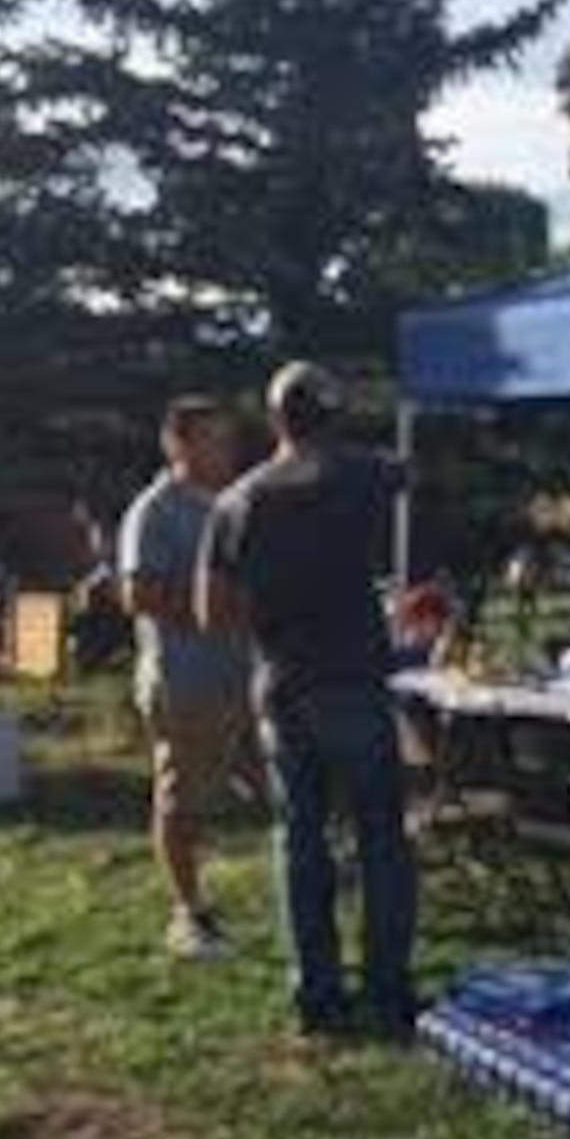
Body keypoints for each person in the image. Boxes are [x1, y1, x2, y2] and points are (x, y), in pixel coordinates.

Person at [198, 363, 419, 1038]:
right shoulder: (359, 475)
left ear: (274, 421)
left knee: (300, 840)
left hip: (281, 685)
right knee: (381, 838)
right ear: (334, 419)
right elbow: (407, 469)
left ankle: (317, 997)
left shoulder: (236, 502)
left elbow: (210, 612)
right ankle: (386, 990)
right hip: (351, 680)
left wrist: (271, 625)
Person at [118, 398, 262, 960]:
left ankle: (314, 873)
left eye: (227, 439)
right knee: (182, 798)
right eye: (211, 439)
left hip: (248, 674)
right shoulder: (154, 510)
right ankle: (189, 914)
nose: (224, 450)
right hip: (186, 679)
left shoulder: (233, 502)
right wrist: (215, 608)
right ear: (176, 445)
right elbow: (137, 594)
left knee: (274, 779)